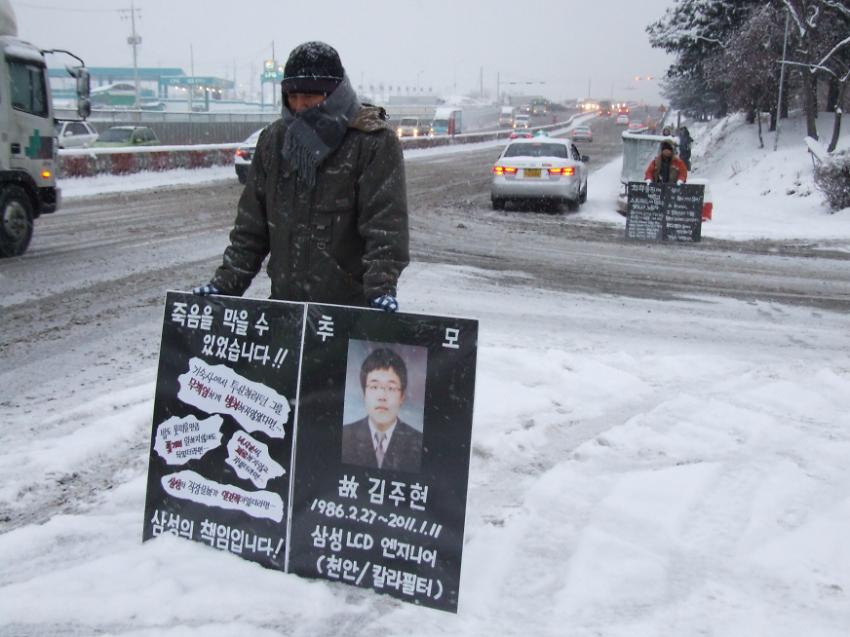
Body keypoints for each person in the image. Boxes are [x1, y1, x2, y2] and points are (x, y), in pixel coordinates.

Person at [193, 41, 408, 312]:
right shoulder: (274, 140)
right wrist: (226, 283)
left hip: (347, 314)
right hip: (286, 310)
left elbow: (385, 225)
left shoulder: (372, 143)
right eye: (292, 97)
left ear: (335, 93)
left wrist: (381, 288)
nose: (299, 106)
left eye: (309, 96)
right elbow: (251, 227)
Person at [341, 348, 422, 472]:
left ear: (402, 397)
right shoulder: (344, 437)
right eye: (374, 386)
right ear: (364, 394)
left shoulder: (418, 442)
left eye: (391, 388)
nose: (382, 396)